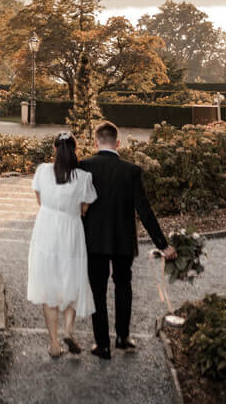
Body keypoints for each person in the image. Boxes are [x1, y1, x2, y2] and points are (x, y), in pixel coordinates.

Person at [79, 120, 176, 360]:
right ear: (118, 142)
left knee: (98, 291)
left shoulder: (85, 167)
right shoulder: (131, 170)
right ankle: (123, 337)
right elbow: (144, 210)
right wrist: (163, 244)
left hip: (95, 241)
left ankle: (102, 345)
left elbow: (77, 206)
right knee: (124, 286)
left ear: (95, 142)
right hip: (123, 239)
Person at [26, 131, 96, 359]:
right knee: (72, 277)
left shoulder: (43, 171)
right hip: (71, 229)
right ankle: (68, 330)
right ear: (74, 150)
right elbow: (85, 209)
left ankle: (55, 344)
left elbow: (39, 200)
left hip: (46, 228)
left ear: (55, 149)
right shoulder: (84, 177)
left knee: (49, 284)